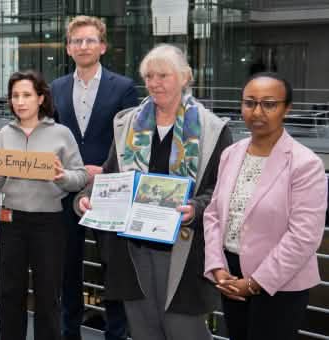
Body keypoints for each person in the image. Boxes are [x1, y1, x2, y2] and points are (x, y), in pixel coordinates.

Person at [77, 44, 233, 340]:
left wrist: (196, 208)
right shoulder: (127, 124)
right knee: (143, 330)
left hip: (184, 252)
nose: (154, 83)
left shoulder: (213, 129)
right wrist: (90, 198)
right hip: (133, 251)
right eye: (149, 76)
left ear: (185, 77)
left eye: (163, 75)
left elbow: (220, 189)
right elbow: (111, 175)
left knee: (184, 331)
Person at [203, 72, 327, 340]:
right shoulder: (231, 154)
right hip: (230, 276)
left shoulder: (305, 164)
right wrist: (217, 267)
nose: (257, 111)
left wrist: (254, 283)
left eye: (269, 104)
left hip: (280, 283)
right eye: (250, 102)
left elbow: (304, 237)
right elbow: (214, 214)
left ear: (287, 108)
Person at [50, 16, 139, 340]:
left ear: (102, 46)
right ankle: (68, 331)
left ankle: (116, 334)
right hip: (66, 188)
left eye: (90, 41)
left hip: (109, 186)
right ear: (68, 48)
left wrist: (106, 169)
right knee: (67, 266)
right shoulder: (56, 88)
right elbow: (52, 135)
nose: (83, 46)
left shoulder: (124, 87)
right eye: (77, 41)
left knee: (112, 266)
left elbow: (132, 138)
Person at [0, 70, 87, 340]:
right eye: (15, 96)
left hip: (49, 223)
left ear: (41, 98)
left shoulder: (61, 134)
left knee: (47, 295)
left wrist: (62, 176)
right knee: (9, 293)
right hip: (12, 221)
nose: (20, 101)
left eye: (27, 95)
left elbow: (80, 177)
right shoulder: (4, 134)